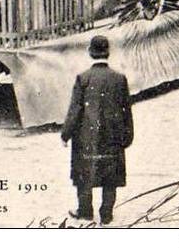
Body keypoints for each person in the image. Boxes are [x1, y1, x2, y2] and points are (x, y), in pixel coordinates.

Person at [61, 35, 133, 224]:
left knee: (84, 173)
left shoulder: (83, 78)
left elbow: (75, 110)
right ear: (108, 52)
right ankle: (106, 214)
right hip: (112, 135)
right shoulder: (119, 79)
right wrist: (128, 135)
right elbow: (126, 109)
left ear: (91, 53)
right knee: (110, 176)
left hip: (87, 136)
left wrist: (65, 134)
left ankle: (85, 211)